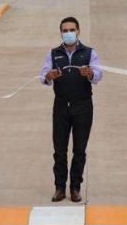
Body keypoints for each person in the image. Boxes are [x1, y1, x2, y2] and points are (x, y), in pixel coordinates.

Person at [41, 17, 103, 203]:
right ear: (60, 32)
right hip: (60, 106)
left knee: (79, 149)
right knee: (59, 149)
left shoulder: (89, 53)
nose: (68, 33)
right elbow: (43, 76)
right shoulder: (53, 53)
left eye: (71, 29)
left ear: (78, 31)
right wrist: (49, 76)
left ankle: (75, 187)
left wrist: (90, 73)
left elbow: (99, 75)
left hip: (83, 106)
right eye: (65, 30)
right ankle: (59, 187)